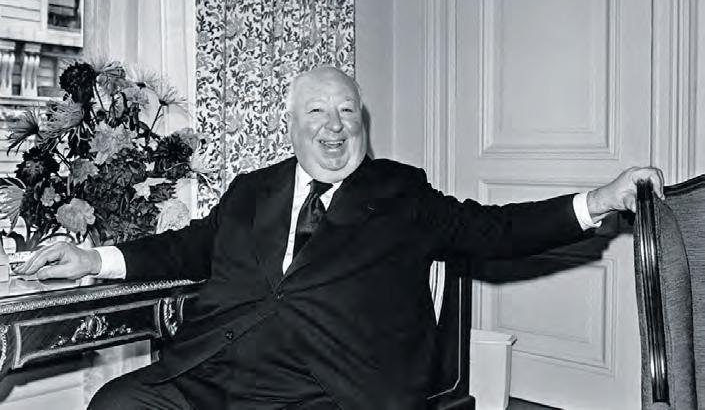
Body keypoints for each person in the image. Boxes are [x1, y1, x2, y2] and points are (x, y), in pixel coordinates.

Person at [16, 66, 664, 409]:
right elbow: (184, 248)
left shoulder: (400, 193)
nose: (334, 127)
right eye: (317, 112)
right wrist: (91, 257)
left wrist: (598, 201)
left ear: (363, 123)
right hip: (216, 374)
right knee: (118, 402)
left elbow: (496, 231)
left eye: (347, 111)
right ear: (290, 126)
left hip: (330, 388)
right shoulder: (253, 189)